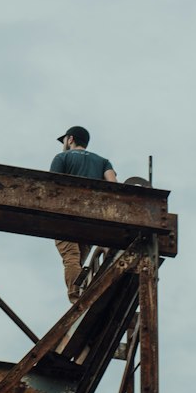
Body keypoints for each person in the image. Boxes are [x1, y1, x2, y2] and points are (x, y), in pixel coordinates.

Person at [49, 126, 117, 300]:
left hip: (66, 217)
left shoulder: (61, 157)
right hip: (92, 222)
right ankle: (80, 291)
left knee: (71, 257)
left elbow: (50, 188)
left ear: (70, 139)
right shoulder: (103, 161)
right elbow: (114, 185)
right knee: (77, 261)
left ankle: (75, 297)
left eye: (64, 140)